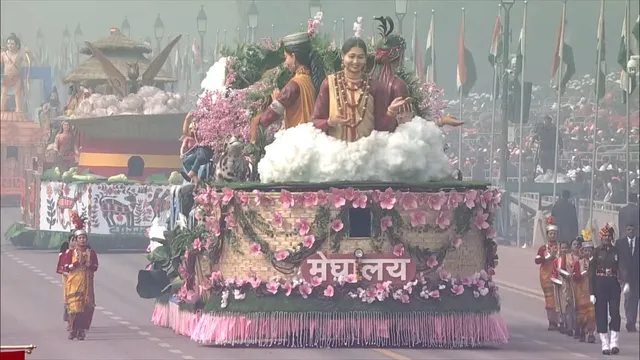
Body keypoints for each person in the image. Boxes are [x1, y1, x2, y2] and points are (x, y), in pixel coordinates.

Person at [369, 16, 462, 128]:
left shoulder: (365, 82)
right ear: (398, 56)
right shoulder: (398, 86)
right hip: (392, 143)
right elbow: (407, 125)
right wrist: (441, 121)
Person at [312, 37, 409, 142]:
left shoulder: (374, 86)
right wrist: (330, 122)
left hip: (366, 152)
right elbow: (315, 122)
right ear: (343, 56)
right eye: (351, 56)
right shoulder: (329, 83)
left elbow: (381, 128)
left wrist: (391, 111)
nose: (355, 61)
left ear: (365, 59)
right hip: (337, 153)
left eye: (360, 57)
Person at [258, 32, 325, 131]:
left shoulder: (294, 85)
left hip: (297, 141)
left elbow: (267, 119)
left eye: (286, 57)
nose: (285, 63)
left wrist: (256, 122)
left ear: (293, 57)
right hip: (313, 137)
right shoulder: (313, 79)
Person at [589, 224, 630, 355]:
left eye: (609, 236)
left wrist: (626, 282)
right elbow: (591, 274)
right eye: (604, 236)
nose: (606, 238)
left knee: (615, 313)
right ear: (601, 238)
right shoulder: (596, 252)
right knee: (601, 314)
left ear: (612, 237)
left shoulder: (616, 251)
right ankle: (605, 343)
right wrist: (591, 292)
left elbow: (621, 267)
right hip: (600, 284)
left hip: (613, 284)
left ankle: (614, 343)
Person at [60, 211, 98, 340]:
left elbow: (96, 267)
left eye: (84, 238)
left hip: (87, 283)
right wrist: (74, 264)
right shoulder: (70, 253)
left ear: (87, 240)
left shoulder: (91, 252)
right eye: (80, 238)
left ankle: (82, 330)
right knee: (74, 307)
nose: (82, 240)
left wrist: (89, 265)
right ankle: (73, 329)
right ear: (75, 240)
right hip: (74, 282)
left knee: (87, 308)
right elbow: (64, 267)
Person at [535, 216, 560, 331]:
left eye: (554, 234)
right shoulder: (543, 248)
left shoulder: (561, 247)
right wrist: (548, 256)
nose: (553, 236)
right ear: (547, 235)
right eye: (551, 234)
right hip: (546, 277)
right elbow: (537, 260)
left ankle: (561, 321)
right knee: (550, 299)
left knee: (560, 299)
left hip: (559, 276)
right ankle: (552, 321)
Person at [572, 233, 596, 343]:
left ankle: (591, 333)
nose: (588, 253)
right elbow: (574, 276)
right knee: (581, 315)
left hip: (592, 291)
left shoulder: (596, 262)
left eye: (590, 250)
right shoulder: (578, 263)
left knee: (592, 313)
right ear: (582, 251)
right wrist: (583, 273)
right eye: (586, 250)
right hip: (581, 291)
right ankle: (582, 330)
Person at [615, 222, 638, 332]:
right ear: (625, 230)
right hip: (625, 276)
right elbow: (617, 260)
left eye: (632, 229)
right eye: (629, 229)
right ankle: (630, 322)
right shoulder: (620, 243)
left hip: (637, 276)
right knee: (628, 299)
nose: (631, 232)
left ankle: (631, 322)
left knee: (634, 300)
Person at [0, 33, 31, 113]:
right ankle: (1, 110)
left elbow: (29, 60)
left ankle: (19, 111)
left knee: (18, 94)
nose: (10, 45)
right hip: (7, 76)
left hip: (17, 77)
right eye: (8, 43)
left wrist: (28, 52)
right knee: (3, 93)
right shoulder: (3, 54)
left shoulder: (20, 53)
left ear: (16, 45)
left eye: (12, 44)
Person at [551, 242, 572, 334]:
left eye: (566, 248)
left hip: (570, 284)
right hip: (560, 284)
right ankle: (562, 322)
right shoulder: (557, 261)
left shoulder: (571, 260)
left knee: (569, 304)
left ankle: (570, 325)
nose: (564, 250)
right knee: (560, 304)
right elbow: (554, 273)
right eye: (562, 248)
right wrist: (556, 281)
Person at [56, 234, 77, 331]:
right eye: (74, 240)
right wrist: (68, 274)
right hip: (69, 280)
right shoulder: (66, 253)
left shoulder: (85, 252)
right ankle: (70, 322)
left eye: (78, 239)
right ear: (69, 241)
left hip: (81, 280)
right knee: (70, 301)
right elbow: (60, 268)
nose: (76, 242)